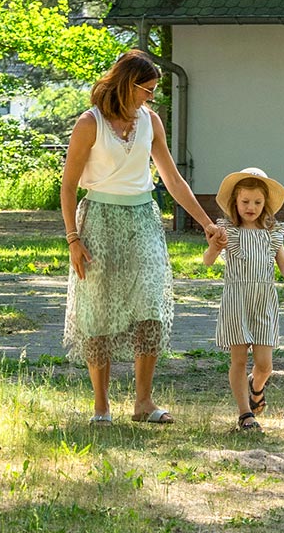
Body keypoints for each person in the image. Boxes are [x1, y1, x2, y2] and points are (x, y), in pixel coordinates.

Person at [60, 51, 225, 423]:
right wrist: (73, 239)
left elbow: (172, 179)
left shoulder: (150, 121)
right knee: (98, 312)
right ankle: (101, 407)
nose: (151, 97)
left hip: (143, 219)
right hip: (98, 219)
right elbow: (68, 187)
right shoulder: (90, 123)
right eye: (147, 89)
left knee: (150, 307)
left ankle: (143, 403)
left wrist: (206, 223)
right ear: (126, 84)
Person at [204, 167, 284, 430]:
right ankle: (245, 413)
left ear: (265, 204)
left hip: (263, 301)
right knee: (239, 360)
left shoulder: (272, 233)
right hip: (237, 300)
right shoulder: (228, 231)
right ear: (235, 202)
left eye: (257, 202)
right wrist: (213, 246)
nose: (251, 207)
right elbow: (208, 261)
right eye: (245, 201)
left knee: (265, 365)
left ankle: (255, 387)